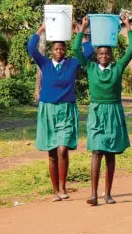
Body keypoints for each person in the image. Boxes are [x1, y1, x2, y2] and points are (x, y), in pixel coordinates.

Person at [73, 15, 132, 206]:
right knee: (97, 152)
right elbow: (76, 49)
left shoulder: (117, 68)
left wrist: (128, 27)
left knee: (110, 153)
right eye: (100, 54)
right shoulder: (90, 67)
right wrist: (83, 27)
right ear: (96, 55)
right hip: (97, 111)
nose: (103, 56)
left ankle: (107, 194)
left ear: (111, 55)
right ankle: (93, 194)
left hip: (114, 111)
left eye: (106, 54)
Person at [26, 23, 94, 202]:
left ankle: (63, 187)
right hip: (47, 110)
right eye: (56, 49)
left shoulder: (72, 63)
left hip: (66, 110)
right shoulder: (45, 63)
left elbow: (89, 51)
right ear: (51, 50)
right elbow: (31, 47)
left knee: (62, 149)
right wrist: (42, 28)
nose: (59, 52)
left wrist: (80, 32)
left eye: (62, 49)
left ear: (65, 50)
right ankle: (55, 190)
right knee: (51, 152)